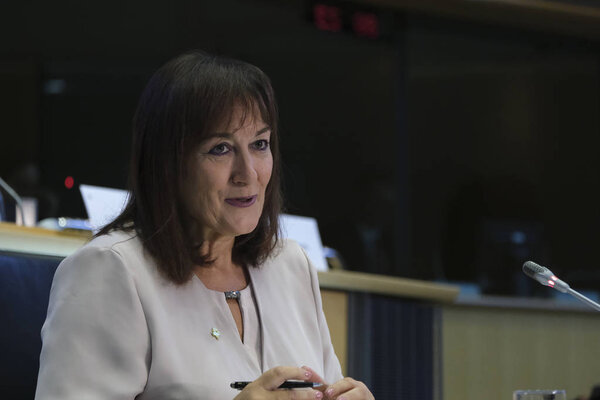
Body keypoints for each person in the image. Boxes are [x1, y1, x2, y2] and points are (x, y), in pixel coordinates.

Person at [35, 51, 374, 400]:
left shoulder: (292, 265)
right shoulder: (110, 270)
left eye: (260, 144)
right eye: (221, 148)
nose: (249, 173)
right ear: (168, 162)